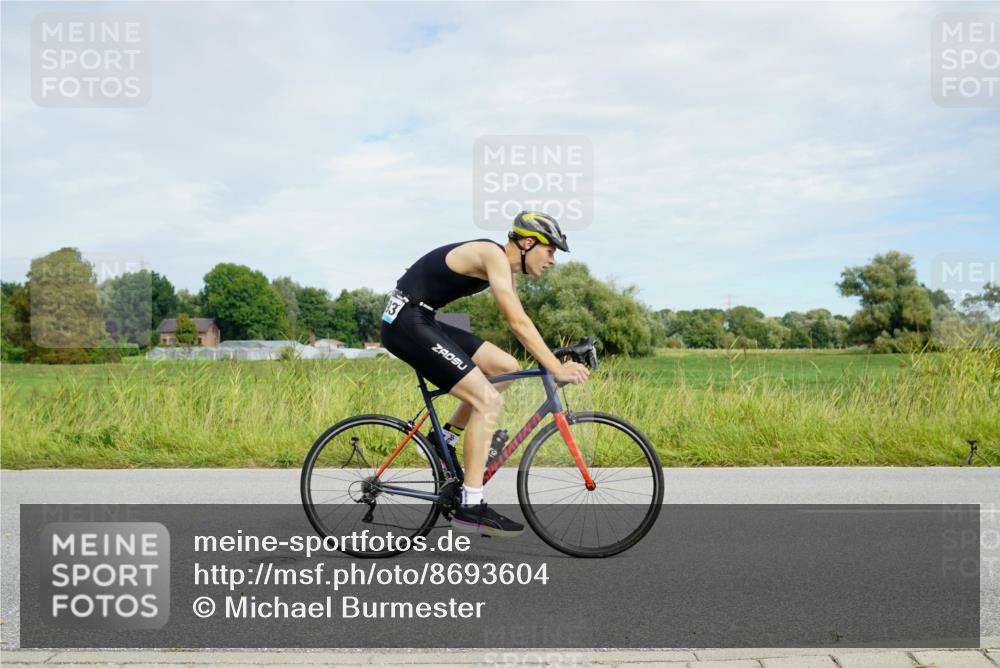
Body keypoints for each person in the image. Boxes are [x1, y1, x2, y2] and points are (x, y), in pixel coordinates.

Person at [380, 211, 590, 537]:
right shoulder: (492, 254)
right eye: (550, 250)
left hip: (421, 318)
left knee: (506, 367)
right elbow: (516, 321)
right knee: (487, 400)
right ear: (528, 242)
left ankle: (444, 439)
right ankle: (471, 505)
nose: (552, 260)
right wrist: (556, 368)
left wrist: (552, 357)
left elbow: (521, 320)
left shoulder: (501, 265)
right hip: (407, 323)